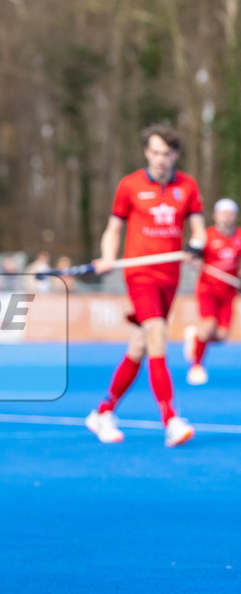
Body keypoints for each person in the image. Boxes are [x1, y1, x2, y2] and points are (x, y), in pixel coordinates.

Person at [86, 123, 206, 447]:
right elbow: (113, 229)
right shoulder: (129, 186)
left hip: (170, 278)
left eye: (166, 153)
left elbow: (198, 230)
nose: (160, 159)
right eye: (154, 152)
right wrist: (108, 256)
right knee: (156, 333)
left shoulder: (188, 187)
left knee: (139, 345)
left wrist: (196, 248)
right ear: (146, 153)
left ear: (175, 154)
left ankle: (103, 411)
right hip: (140, 276)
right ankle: (170, 419)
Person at [182, 197, 241, 385]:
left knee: (222, 336)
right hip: (208, 289)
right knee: (208, 326)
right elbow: (191, 256)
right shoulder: (206, 236)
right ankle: (196, 366)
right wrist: (193, 260)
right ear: (215, 216)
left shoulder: (239, 236)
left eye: (230, 214)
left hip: (228, 291)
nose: (226, 218)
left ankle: (196, 338)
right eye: (223, 213)